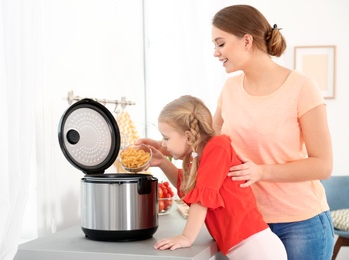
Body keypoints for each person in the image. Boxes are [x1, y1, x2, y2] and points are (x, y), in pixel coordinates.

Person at [138, 4, 334, 260]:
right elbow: (207, 148)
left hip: (300, 223)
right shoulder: (230, 89)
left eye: (220, 43)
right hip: (247, 226)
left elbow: (323, 166)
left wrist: (262, 171)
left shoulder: (301, 88)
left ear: (247, 40)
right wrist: (164, 149)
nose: (215, 53)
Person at [149, 95, 287, 260]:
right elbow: (188, 186)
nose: (163, 144)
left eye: (166, 137)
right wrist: (162, 162)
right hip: (248, 249)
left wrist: (186, 237)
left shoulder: (217, 147)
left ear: (187, 136)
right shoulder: (201, 156)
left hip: (258, 250)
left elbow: (202, 197)